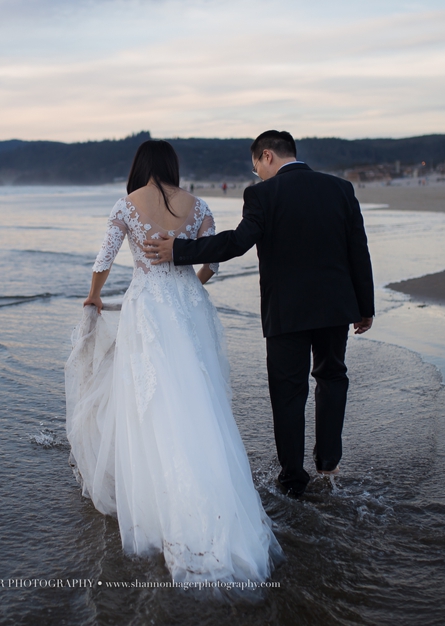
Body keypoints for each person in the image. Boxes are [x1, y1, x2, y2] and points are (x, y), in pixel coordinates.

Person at [65, 140, 282, 584]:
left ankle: (161, 509)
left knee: (153, 402)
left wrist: (94, 295)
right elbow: (214, 262)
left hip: (149, 309)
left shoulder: (126, 205)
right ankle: (217, 510)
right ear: (172, 166)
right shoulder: (198, 205)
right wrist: (191, 282)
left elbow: (104, 259)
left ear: (141, 166)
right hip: (189, 306)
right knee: (198, 397)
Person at [143, 130, 374, 497]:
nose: (258, 176)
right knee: (332, 378)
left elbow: (236, 242)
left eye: (256, 168)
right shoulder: (340, 189)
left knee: (288, 392)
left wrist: (180, 250)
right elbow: (357, 251)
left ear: (267, 156)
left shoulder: (263, 194)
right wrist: (365, 307)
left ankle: (294, 479)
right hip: (336, 307)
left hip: (287, 311)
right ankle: (328, 462)